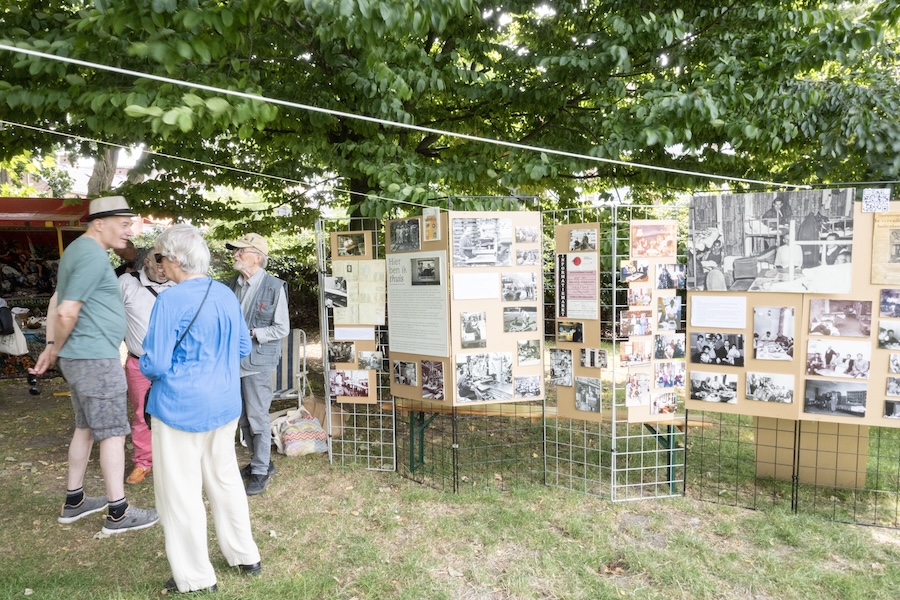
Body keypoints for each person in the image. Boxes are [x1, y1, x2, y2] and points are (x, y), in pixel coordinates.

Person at [140, 224, 261, 594]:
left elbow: (154, 365)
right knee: (224, 481)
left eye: (160, 257)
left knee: (181, 493)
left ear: (175, 259)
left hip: (180, 408)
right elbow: (243, 347)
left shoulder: (169, 301)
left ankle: (195, 576)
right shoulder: (225, 293)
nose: (159, 265)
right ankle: (245, 555)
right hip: (224, 405)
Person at [29, 196, 158, 535]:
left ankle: (74, 501)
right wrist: (55, 346)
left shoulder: (77, 251)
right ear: (99, 223)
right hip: (95, 359)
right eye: (124, 223)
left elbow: (58, 298)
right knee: (113, 433)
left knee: (85, 427)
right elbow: (66, 309)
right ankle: (119, 513)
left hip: (80, 355)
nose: (129, 231)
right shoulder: (89, 254)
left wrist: (54, 345)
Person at [226, 233, 290, 496]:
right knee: (242, 418)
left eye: (241, 250)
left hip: (258, 363)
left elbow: (282, 328)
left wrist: (253, 334)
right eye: (236, 250)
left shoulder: (274, 287)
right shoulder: (231, 284)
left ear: (258, 257)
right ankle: (259, 461)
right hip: (233, 362)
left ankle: (261, 470)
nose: (236, 254)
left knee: (257, 418)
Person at [119, 245, 175, 484]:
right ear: (146, 263)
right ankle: (143, 462)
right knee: (142, 414)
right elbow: (110, 318)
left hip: (173, 364)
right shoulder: (127, 283)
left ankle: (173, 461)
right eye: (158, 262)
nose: (163, 269)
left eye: (167, 263)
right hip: (140, 362)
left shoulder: (179, 286)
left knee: (175, 412)